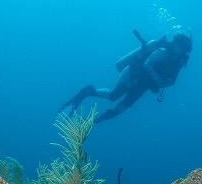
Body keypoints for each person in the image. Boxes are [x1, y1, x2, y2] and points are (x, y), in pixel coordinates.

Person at [60, 30, 192, 123]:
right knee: (113, 96)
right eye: (175, 44)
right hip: (133, 72)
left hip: (143, 84)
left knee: (122, 107)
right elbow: (146, 65)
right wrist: (158, 79)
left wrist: (161, 82)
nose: (174, 47)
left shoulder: (178, 62)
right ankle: (87, 91)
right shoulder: (162, 51)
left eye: (179, 46)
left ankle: (94, 121)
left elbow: (171, 81)